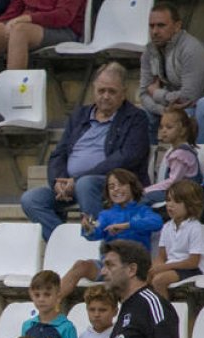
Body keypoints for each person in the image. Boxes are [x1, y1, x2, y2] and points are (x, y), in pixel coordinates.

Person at [20, 63, 151, 241]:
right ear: (93, 89)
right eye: (101, 90)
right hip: (73, 184)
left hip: (111, 183)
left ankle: (96, 241)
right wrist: (58, 182)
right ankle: (65, 243)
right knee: (31, 199)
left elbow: (127, 157)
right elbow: (59, 153)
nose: (105, 96)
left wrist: (78, 180)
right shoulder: (80, 115)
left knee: (86, 184)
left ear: (123, 93)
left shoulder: (136, 118)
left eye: (112, 92)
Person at [60, 168, 163, 301]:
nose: (116, 189)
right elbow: (96, 234)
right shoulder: (106, 214)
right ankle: (52, 307)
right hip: (108, 266)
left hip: (133, 267)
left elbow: (157, 222)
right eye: (111, 186)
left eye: (121, 184)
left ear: (132, 187)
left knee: (121, 272)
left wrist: (127, 225)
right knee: (81, 265)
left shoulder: (143, 210)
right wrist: (88, 228)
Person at [138, 2, 204, 143]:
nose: (155, 31)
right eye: (152, 26)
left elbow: (189, 97)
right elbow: (143, 93)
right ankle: (153, 160)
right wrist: (165, 111)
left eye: (161, 25)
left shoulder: (191, 49)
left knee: (202, 107)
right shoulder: (148, 52)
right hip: (173, 105)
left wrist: (157, 93)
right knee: (143, 113)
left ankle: (199, 158)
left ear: (177, 26)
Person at [149, 179, 204, 297]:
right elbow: (161, 256)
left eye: (176, 201)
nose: (170, 205)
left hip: (192, 270)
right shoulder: (166, 227)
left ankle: (166, 313)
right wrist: (156, 267)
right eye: (168, 200)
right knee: (142, 278)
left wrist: (164, 267)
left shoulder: (195, 227)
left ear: (190, 204)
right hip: (172, 267)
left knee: (159, 280)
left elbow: (193, 262)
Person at [21, 270, 83, 338]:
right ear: (31, 295)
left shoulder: (66, 328)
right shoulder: (27, 326)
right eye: (37, 295)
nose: (41, 299)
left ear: (58, 295)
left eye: (47, 294)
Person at [143, 107, 200, 207]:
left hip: (184, 195)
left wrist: (147, 189)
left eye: (169, 127)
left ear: (182, 130)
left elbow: (173, 182)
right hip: (175, 192)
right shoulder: (176, 151)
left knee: (144, 198)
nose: (164, 131)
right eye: (161, 127)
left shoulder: (182, 154)